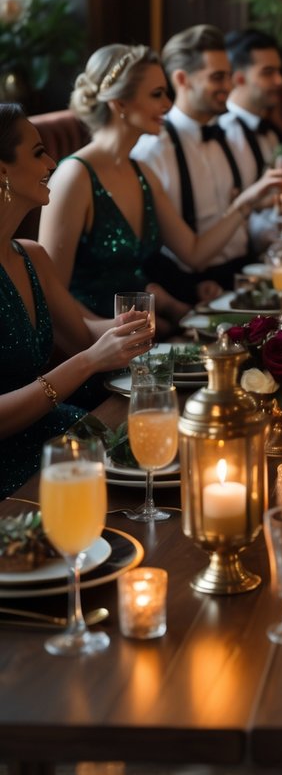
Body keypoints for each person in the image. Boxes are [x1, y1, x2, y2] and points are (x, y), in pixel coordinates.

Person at [39, 44, 282, 329]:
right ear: (120, 104)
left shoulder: (141, 173)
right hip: (88, 343)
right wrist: (103, 336)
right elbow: (49, 295)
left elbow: (195, 253)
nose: (168, 105)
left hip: (141, 336)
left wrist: (248, 202)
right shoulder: (75, 176)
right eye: (157, 95)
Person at [0, 103, 153, 498]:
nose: (52, 162)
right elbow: (86, 355)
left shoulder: (31, 256)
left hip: (58, 435)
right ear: (2, 170)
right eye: (37, 153)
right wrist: (89, 362)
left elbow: (83, 334)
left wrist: (127, 326)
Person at [133, 26, 282, 301]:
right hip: (190, 288)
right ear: (182, 79)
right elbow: (148, 249)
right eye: (217, 77)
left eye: (228, 76)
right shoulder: (153, 150)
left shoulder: (230, 134)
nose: (228, 86)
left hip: (245, 277)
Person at [221, 28, 282, 251]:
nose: (279, 80)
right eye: (268, 72)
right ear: (239, 78)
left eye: (278, 71)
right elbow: (223, 210)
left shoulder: (272, 133)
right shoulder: (220, 133)